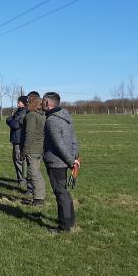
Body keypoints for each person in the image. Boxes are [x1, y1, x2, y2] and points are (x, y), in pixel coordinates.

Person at [42, 92, 80, 233]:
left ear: (48, 103)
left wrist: (72, 162)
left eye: (43, 102)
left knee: (60, 193)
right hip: (65, 160)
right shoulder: (66, 116)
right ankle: (70, 221)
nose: (41, 104)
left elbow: (59, 145)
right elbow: (74, 140)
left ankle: (64, 227)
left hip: (56, 162)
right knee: (64, 192)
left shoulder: (52, 120)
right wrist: (74, 157)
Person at [22, 95, 46, 206]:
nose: (26, 104)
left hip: (32, 149)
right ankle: (41, 195)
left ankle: (38, 199)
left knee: (34, 174)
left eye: (28, 102)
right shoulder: (40, 116)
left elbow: (29, 134)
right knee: (37, 173)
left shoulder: (31, 115)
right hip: (39, 149)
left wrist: (25, 150)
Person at [6, 95, 28, 188]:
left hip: (19, 140)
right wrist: (11, 119)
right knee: (16, 159)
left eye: (19, 101)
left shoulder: (24, 112)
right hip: (16, 139)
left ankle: (22, 180)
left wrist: (9, 119)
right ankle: (21, 178)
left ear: (24, 103)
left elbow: (15, 125)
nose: (18, 102)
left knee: (18, 159)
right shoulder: (19, 111)